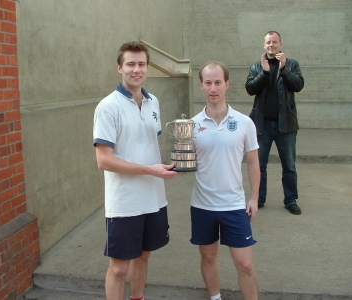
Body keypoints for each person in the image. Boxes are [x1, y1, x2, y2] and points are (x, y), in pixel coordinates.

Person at [93, 41, 178, 300]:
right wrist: (149, 170)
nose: (136, 69)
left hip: (153, 199)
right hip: (124, 202)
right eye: (130, 64)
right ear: (119, 67)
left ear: (147, 68)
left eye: (142, 64)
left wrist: (169, 164)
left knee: (143, 256)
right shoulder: (108, 106)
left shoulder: (153, 102)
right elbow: (103, 160)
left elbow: (146, 145)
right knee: (119, 268)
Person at [191, 61, 260, 300]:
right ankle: (215, 298)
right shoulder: (192, 125)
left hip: (234, 206)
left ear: (227, 84)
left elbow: (253, 162)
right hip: (203, 206)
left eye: (218, 82)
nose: (213, 88)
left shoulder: (244, 122)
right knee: (208, 258)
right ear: (201, 85)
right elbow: (184, 162)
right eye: (208, 82)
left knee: (246, 265)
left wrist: (254, 197)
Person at [245, 31, 304, 215]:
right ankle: (259, 199)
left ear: (281, 44)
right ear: (264, 45)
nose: (272, 45)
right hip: (262, 125)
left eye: (275, 42)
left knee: (289, 165)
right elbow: (250, 88)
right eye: (268, 42)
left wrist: (285, 69)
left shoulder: (291, 64)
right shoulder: (257, 66)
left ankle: (291, 200)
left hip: (285, 125)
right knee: (259, 165)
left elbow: (298, 85)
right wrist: (263, 72)